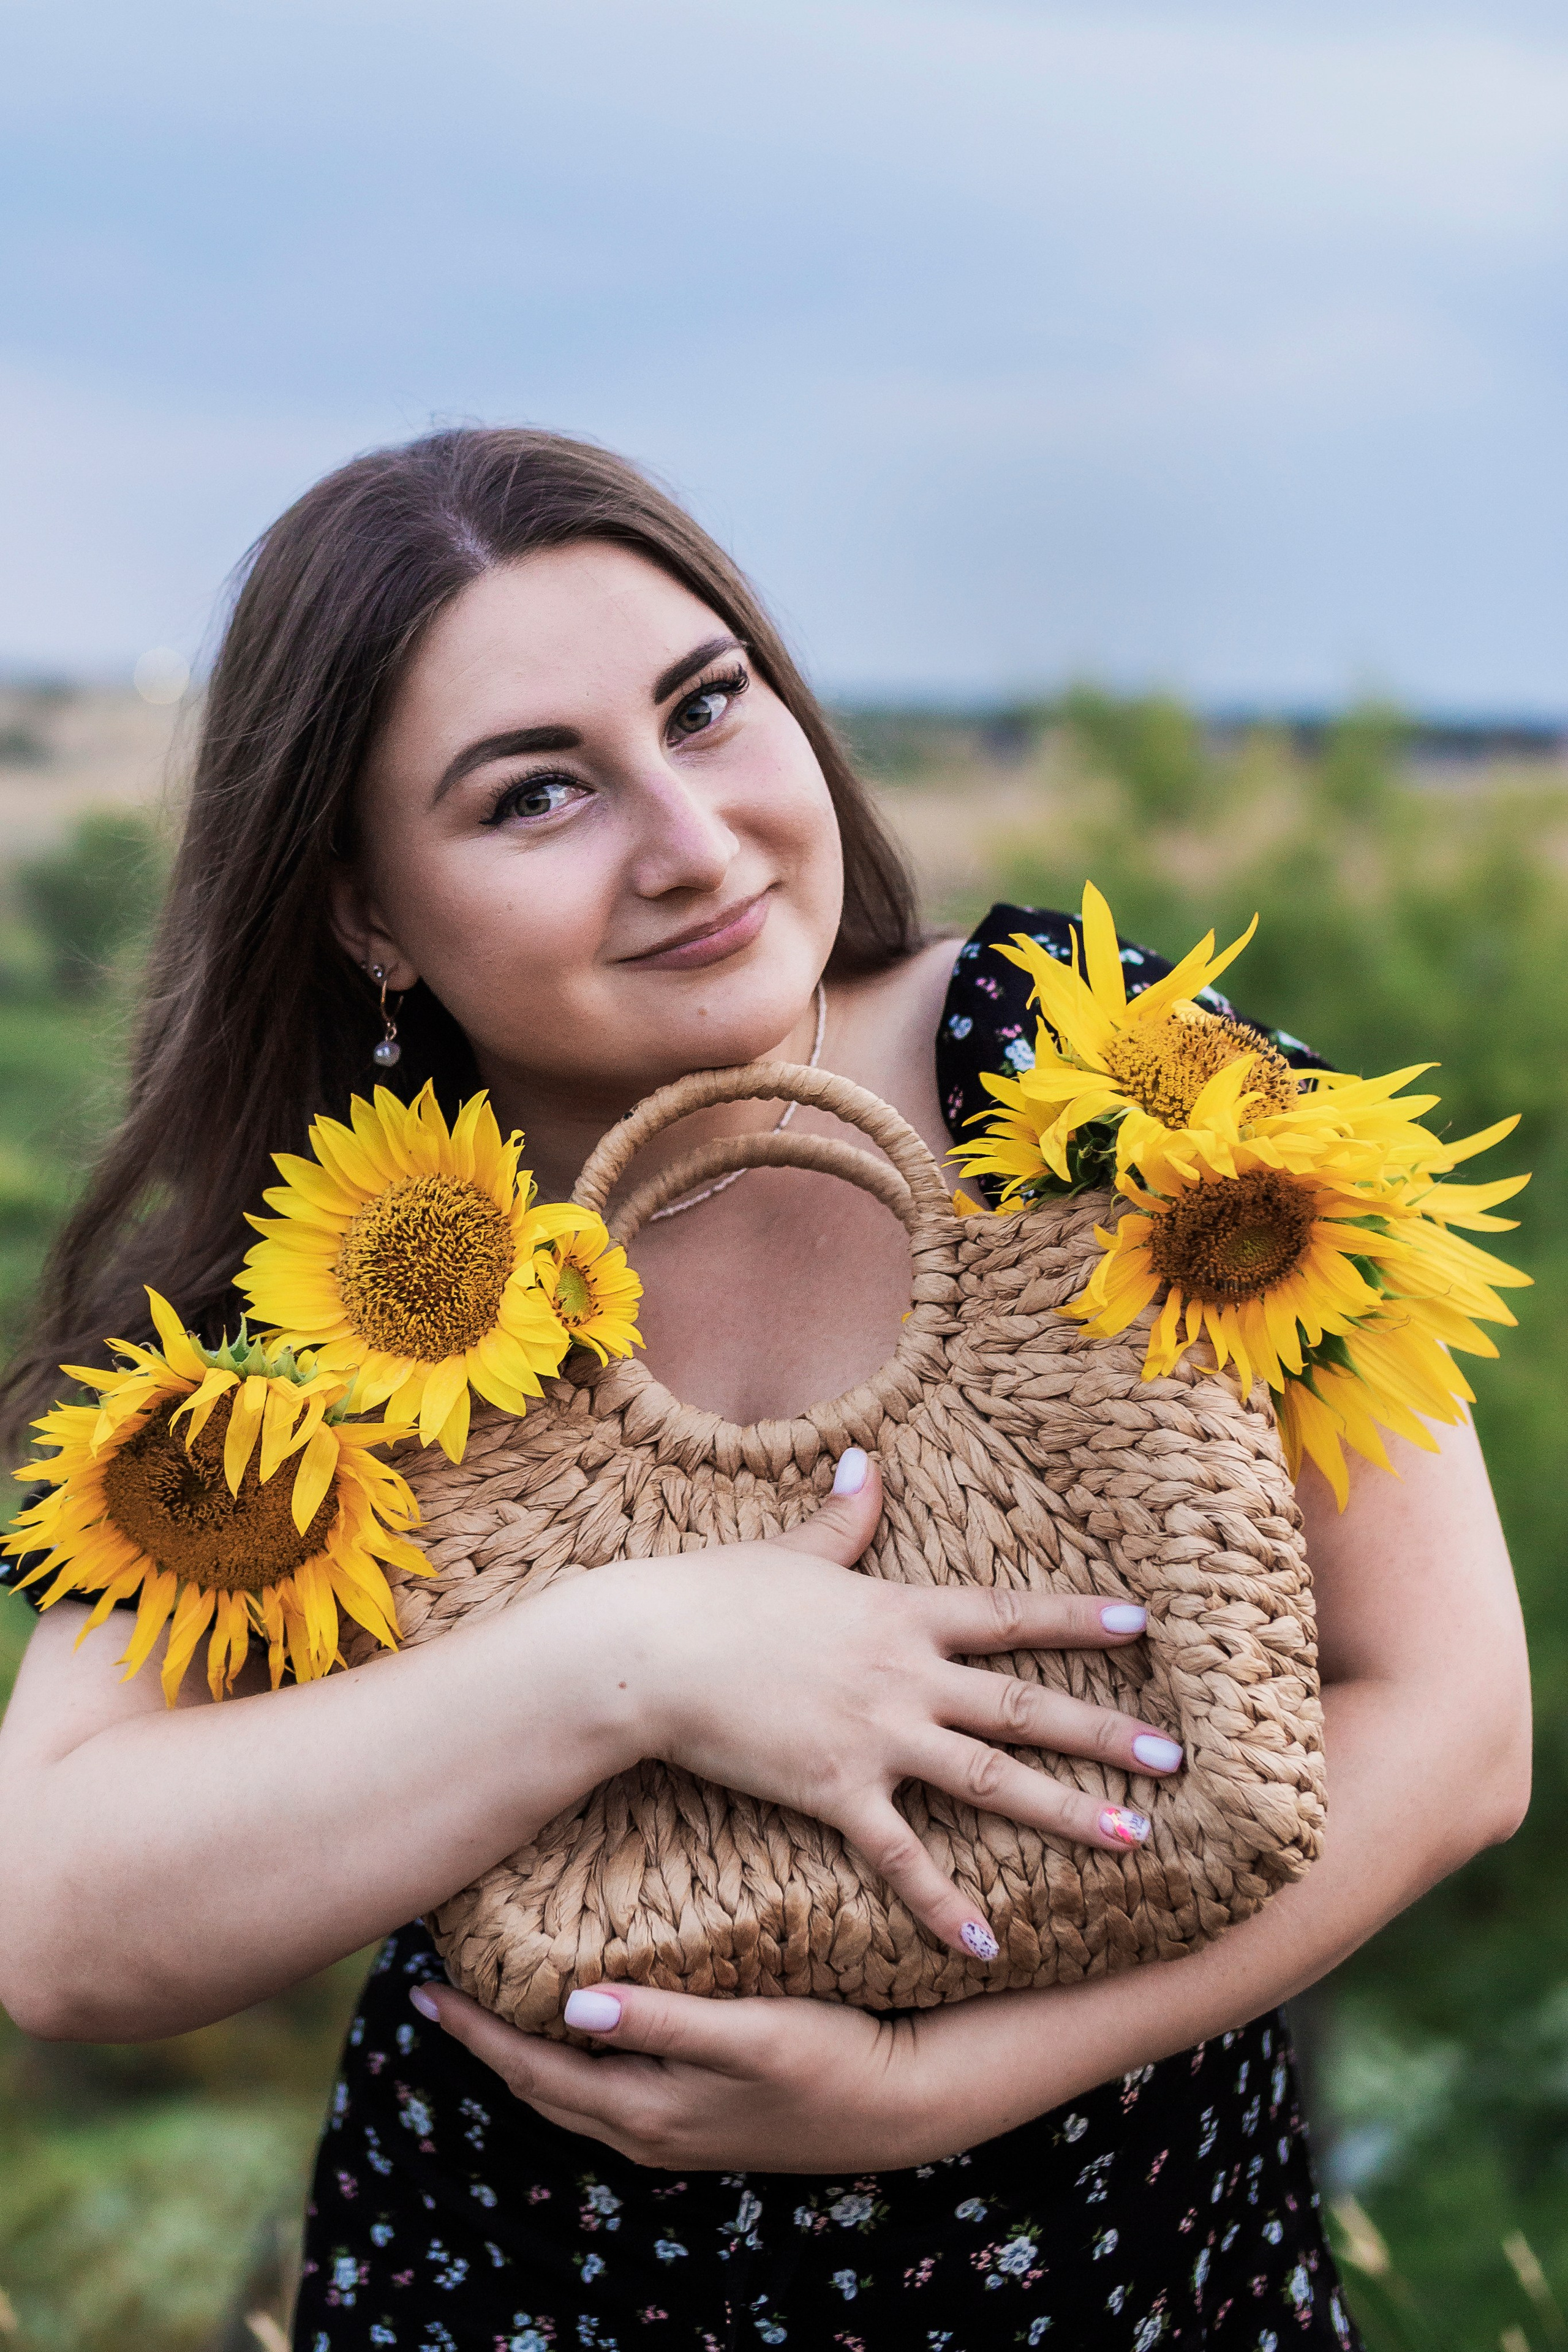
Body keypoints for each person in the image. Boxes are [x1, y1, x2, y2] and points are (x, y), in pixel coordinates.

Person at [0, 429, 1529, 2352]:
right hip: (515, 2289)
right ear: (366, 916)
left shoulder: (1097, 1071)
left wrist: (939, 2093)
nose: (695, 844)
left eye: (705, 709)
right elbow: (55, 1919)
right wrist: (618, 1660)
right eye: (536, 795)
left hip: (1123, 2274)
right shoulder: (359, 1276)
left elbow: (1462, 1726)